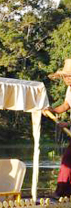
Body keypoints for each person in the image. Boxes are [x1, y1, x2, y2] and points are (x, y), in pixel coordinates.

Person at [44, 58, 71, 198]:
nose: (67, 79)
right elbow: (66, 106)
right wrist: (53, 110)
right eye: (66, 76)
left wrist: (68, 124)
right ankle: (63, 192)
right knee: (67, 161)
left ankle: (63, 192)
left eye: (70, 76)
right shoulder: (69, 90)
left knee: (68, 160)